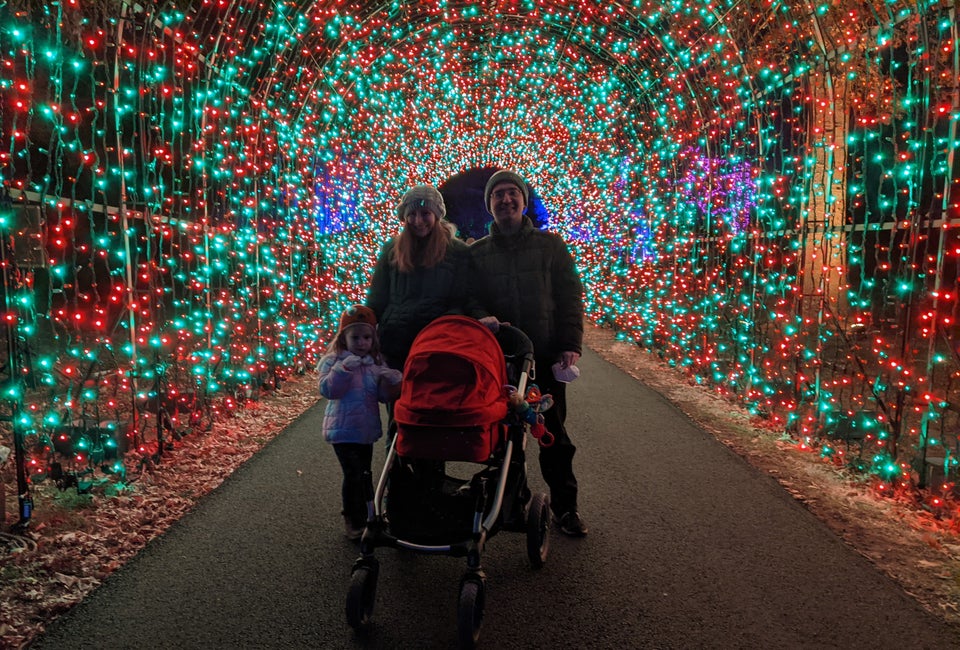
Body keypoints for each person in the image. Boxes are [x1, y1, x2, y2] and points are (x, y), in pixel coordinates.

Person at [469, 169, 588, 537]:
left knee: (553, 433)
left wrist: (570, 344)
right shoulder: (477, 254)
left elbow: (570, 297)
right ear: (489, 205)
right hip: (500, 360)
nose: (505, 200)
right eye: (497, 195)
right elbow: (467, 298)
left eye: (511, 193)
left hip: (545, 358)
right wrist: (478, 316)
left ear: (523, 200)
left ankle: (565, 508)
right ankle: (511, 501)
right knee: (504, 433)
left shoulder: (551, 245)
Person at [366, 184, 476, 372]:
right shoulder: (392, 250)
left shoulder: (457, 252)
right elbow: (378, 297)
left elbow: (460, 299)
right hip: (394, 345)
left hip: (435, 346)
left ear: (436, 215)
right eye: (412, 214)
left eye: (425, 213)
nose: (418, 221)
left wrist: (444, 328)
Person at [317, 304, 402, 540]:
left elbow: (382, 397)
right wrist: (343, 369)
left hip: (364, 430)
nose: (361, 342)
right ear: (343, 337)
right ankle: (353, 519)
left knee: (365, 472)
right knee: (353, 474)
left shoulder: (374, 363)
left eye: (367, 337)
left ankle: (370, 517)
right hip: (342, 430)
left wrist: (392, 382)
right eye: (355, 337)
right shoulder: (333, 361)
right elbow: (328, 390)